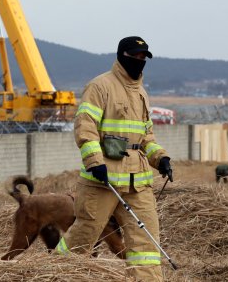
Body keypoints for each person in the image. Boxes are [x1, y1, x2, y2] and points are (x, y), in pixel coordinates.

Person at [60, 36, 171, 282]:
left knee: (147, 244)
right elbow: (85, 128)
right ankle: (54, 273)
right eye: (136, 56)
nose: (140, 62)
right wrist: (94, 162)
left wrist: (161, 158)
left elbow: (146, 137)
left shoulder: (141, 93)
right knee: (84, 236)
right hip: (103, 181)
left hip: (138, 184)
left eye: (144, 58)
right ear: (122, 56)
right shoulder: (100, 86)